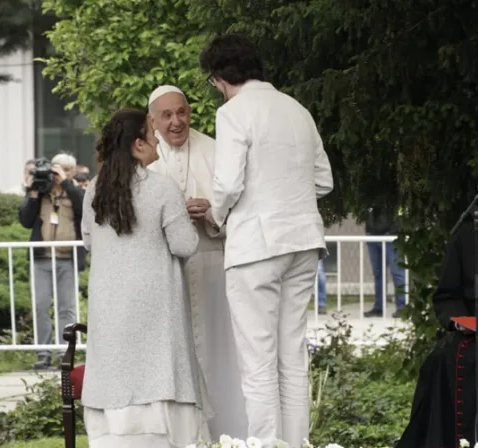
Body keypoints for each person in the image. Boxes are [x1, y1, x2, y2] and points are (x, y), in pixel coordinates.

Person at [200, 33, 334, 447]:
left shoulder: (233, 112)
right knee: (291, 357)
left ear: (220, 76)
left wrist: (214, 216)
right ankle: (296, 444)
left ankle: (264, 445)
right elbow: (323, 181)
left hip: (256, 245)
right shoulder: (298, 109)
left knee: (257, 362)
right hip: (303, 240)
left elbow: (226, 184)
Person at [81, 109, 210, 448]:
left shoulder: (94, 191)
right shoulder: (162, 188)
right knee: (160, 374)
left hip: (109, 308)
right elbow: (185, 245)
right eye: (153, 137)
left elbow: (89, 241)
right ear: (138, 145)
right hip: (153, 308)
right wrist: (185, 213)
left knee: (114, 381)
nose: (157, 142)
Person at [147, 84, 247, 439]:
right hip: (166, 273)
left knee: (222, 357)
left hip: (212, 266)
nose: (176, 122)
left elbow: (240, 211)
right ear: (152, 121)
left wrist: (212, 214)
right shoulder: (143, 157)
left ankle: (232, 437)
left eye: (182, 112)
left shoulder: (216, 150)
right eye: (167, 115)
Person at [397, 156, 478, 448]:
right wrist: (460, 320)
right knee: (439, 361)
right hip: (474, 333)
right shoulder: (466, 235)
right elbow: (446, 295)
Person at [19, 155, 85, 370]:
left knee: (67, 308)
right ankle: (43, 353)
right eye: (57, 169)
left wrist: (66, 182)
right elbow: (25, 220)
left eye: (66, 169)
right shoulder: (41, 190)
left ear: (72, 171)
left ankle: (65, 353)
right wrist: (33, 192)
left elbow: (85, 210)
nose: (58, 173)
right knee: (40, 306)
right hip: (42, 257)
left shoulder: (77, 191)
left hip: (68, 257)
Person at [363, 205, 407, 318]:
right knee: (378, 273)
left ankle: (402, 307)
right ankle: (378, 308)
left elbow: (400, 211)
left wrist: (394, 230)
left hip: (391, 237)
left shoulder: (394, 190)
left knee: (397, 272)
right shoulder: (368, 195)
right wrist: (368, 230)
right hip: (373, 237)